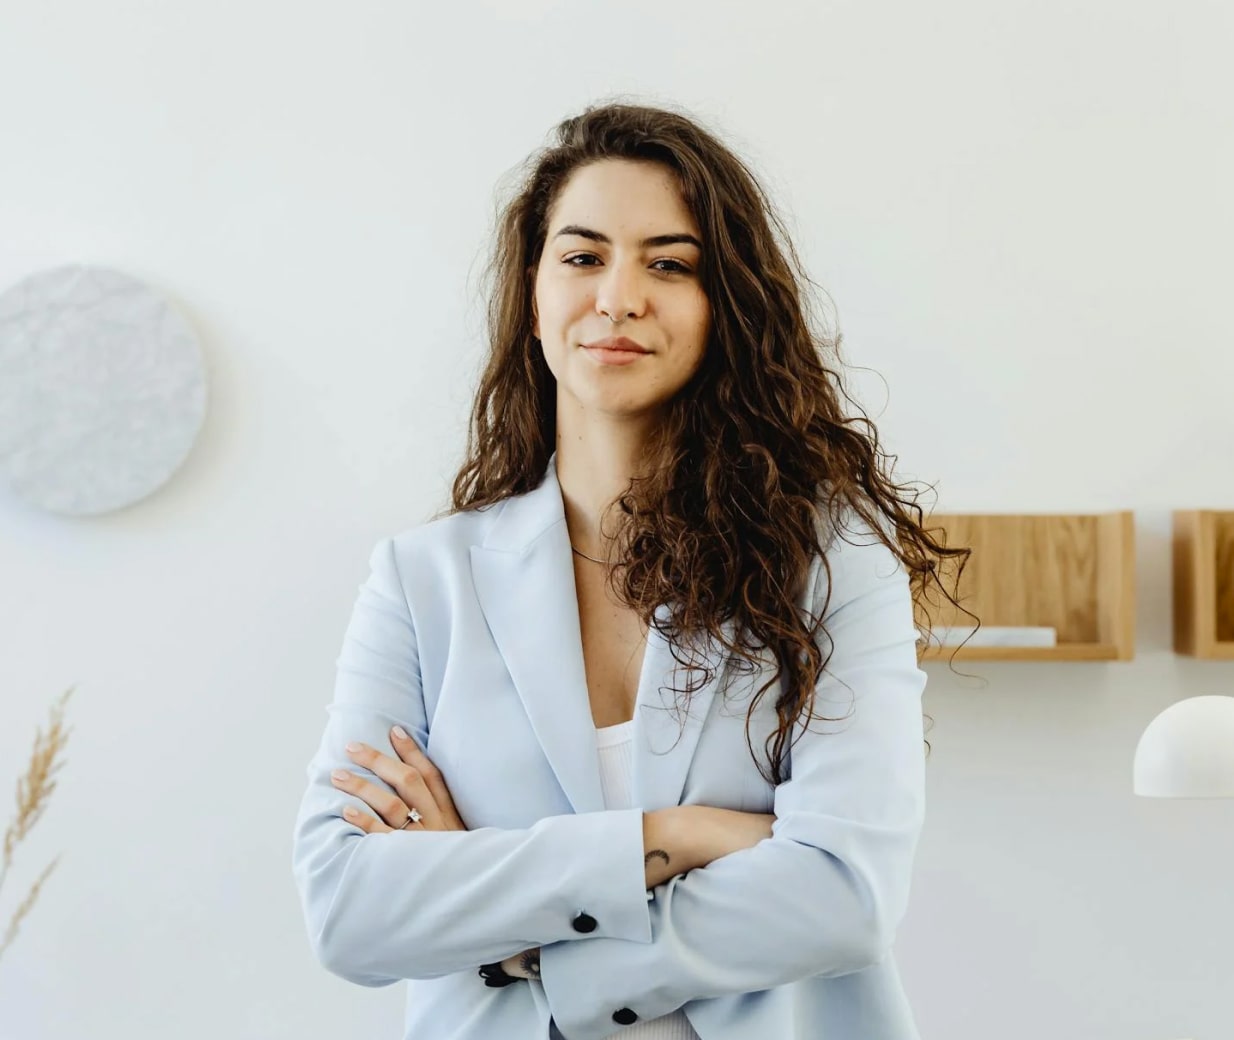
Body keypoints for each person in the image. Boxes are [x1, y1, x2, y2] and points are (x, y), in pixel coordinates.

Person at [292, 99, 968, 1040]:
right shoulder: (422, 579)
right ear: (533, 296)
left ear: (725, 306)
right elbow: (348, 909)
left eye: (669, 264)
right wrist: (676, 838)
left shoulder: (829, 559)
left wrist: (516, 941)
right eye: (582, 257)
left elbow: (844, 895)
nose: (618, 297)